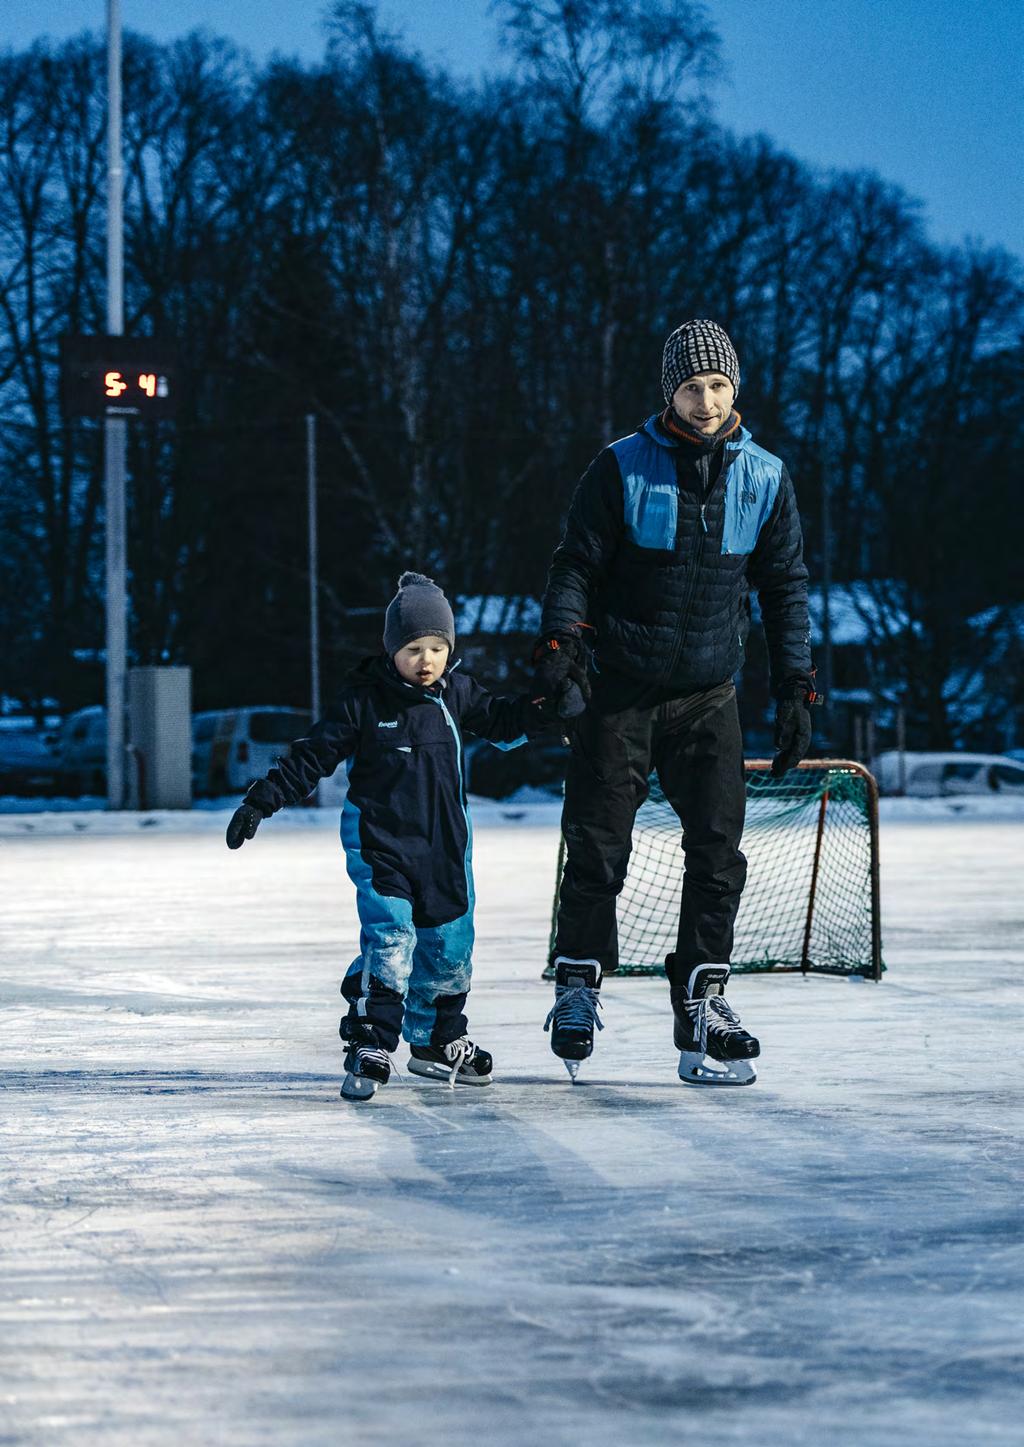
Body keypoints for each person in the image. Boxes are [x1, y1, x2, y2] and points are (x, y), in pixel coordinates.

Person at [533, 319, 817, 1086]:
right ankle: (579, 987)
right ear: (670, 392)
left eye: (718, 386)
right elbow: (575, 566)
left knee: (720, 853)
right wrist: (562, 645)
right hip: (621, 691)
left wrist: (795, 684)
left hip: (707, 694)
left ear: (736, 390)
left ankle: (701, 999)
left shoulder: (764, 475)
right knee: (596, 845)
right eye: (692, 387)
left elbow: (785, 588)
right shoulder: (621, 467)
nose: (705, 401)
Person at [226, 571, 552, 1101]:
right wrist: (261, 800)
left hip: (446, 846)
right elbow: (312, 755)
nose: (426, 661)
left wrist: (549, 709)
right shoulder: (364, 701)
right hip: (381, 845)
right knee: (392, 938)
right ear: (391, 649)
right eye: (413, 649)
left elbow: (503, 723)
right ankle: (373, 1038)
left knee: (449, 947)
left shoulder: (457, 693)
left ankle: (437, 1040)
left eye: (437, 648)